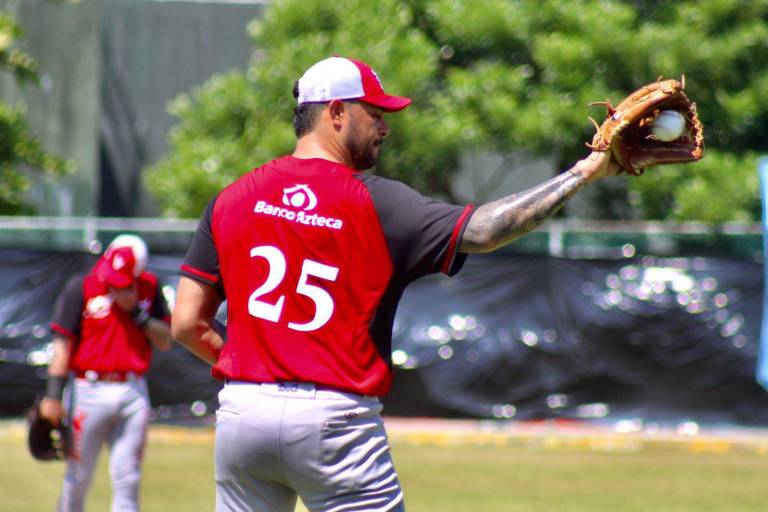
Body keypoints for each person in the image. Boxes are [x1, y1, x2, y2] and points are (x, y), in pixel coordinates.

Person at [171, 56, 620, 512]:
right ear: (337, 113)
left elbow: (186, 322)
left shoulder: (234, 197)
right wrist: (583, 172)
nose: (384, 128)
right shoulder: (378, 203)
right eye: (376, 114)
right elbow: (484, 231)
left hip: (243, 413)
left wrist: (255, 371)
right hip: (334, 421)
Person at [40, 234, 172, 512]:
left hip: (132, 390)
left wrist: (136, 312)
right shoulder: (82, 286)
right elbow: (62, 343)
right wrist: (52, 395)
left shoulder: (149, 287)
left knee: (128, 478)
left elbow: (166, 339)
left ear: (138, 273)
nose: (112, 280)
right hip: (88, 390)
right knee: (77, 476)